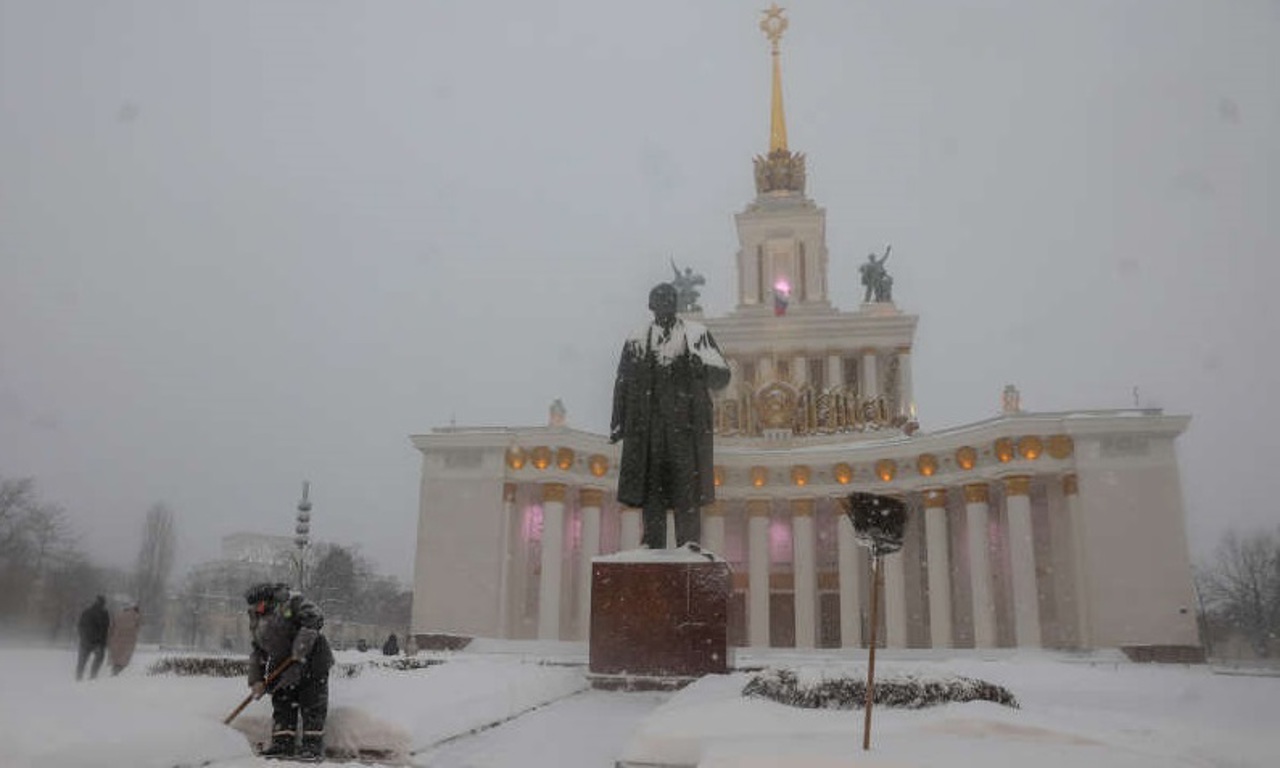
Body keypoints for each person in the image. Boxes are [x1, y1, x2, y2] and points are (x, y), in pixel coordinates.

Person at [611, 282, 731, 548]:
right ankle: (652, 543)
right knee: (652, 487)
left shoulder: (696, 334)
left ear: (675, 305)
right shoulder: (637, 339)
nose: (665, 307)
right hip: (648, 430)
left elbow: (723, 376)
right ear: (651, 306)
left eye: (669, 302)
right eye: (660, 302)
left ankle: (689, 542)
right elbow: (623, 381)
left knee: (686, 486)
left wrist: (702, 368)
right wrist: (618, 421)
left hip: (685, 429)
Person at [244, 583, 335, 761]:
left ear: (269, 601)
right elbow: (258, 651)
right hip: (284, 664)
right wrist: (256, 680)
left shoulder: (292, 602)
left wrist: (300, 646)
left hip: (312, 659)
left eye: (260, 605)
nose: (257, 609)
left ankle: (312, 746)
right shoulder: (256, 619)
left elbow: (315, 618)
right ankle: (282, 743)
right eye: (254, 607)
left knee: (312, 702)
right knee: (283, 700)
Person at [75, 595, 110, 681]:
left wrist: (82, 637)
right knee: (99, 658)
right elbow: (105, 629)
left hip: (85, 642)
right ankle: (92, 677)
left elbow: (80, 625)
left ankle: (78, 678)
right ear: (103, 603)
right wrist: (103, 643)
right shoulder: (104, 613)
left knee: (81, 662)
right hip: (97, 643)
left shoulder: (86, 611)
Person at [107, 603, 142, 675]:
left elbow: (111, 628)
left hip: (116, 640)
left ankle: (114, 672)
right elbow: (137, 629)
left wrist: (109, 638)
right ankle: (116, 674)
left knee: (116, 659)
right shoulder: (136, 616)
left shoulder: (117, 615)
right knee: (124, 660)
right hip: (129, 641)